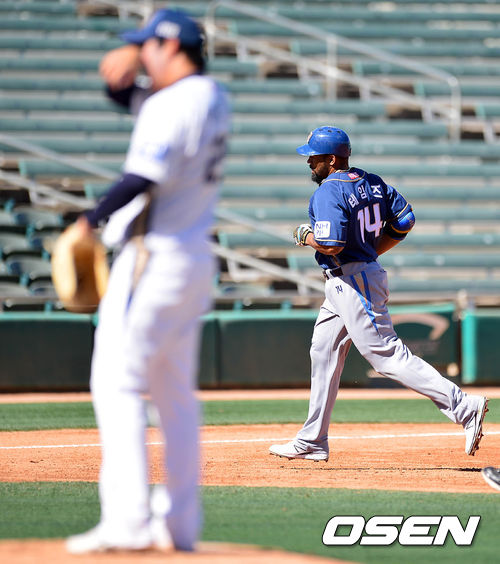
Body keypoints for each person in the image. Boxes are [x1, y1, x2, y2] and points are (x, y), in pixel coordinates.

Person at [66, 9, 230, 554]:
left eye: (148, 46)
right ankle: (179, 525)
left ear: (171, 46)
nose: (142, 54)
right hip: (192, 258)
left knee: (115, 383)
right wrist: (125, 80)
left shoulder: (172, 103)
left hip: (152, 260)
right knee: (174, 394)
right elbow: (136, 102)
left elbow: (142, 174)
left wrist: (88, 220)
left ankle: (128, 522)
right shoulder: (213, 96)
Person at [269, 126, 488, 462]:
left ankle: (463, 406)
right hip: (349, 280)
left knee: (386, 355)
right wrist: (371, 253)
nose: (309, 161)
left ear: (332, 159)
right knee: (323, 351)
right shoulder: (372, 182)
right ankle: (313, 439)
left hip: (353, 280)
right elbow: (404, 220)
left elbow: (331, 244)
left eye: (314, 156)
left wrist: (305, 236)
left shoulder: (328, 191)